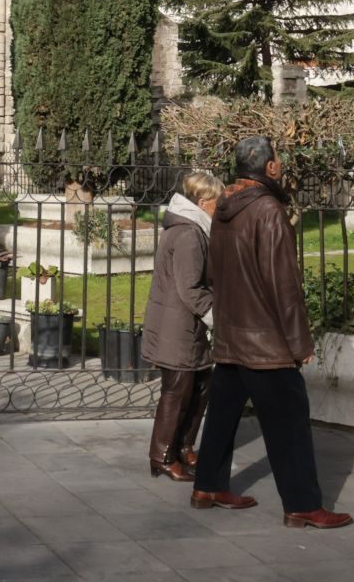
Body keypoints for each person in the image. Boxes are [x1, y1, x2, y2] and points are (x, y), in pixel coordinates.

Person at [188, 136, 353, 530]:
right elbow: (285, 284)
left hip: (230, 335)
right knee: (290, 423)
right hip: (265, 343)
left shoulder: (223, 209)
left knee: (223, 416)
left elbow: (214, 274)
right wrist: (299, 342)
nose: (281, 165)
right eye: (278, 160)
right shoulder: (267, 210)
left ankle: (207, 487)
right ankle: (303, 505)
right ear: (271, 167)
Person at [139, 169, 225, 480]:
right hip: (178, 328)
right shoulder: (189, 234)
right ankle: (162, 455)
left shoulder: (192, 228)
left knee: (200, 386)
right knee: (177, 391)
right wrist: (218, 318)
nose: (222, 205)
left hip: (185, 326)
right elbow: (190, 288)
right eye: (218, 200)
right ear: (203, 202)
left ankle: (185, 446)